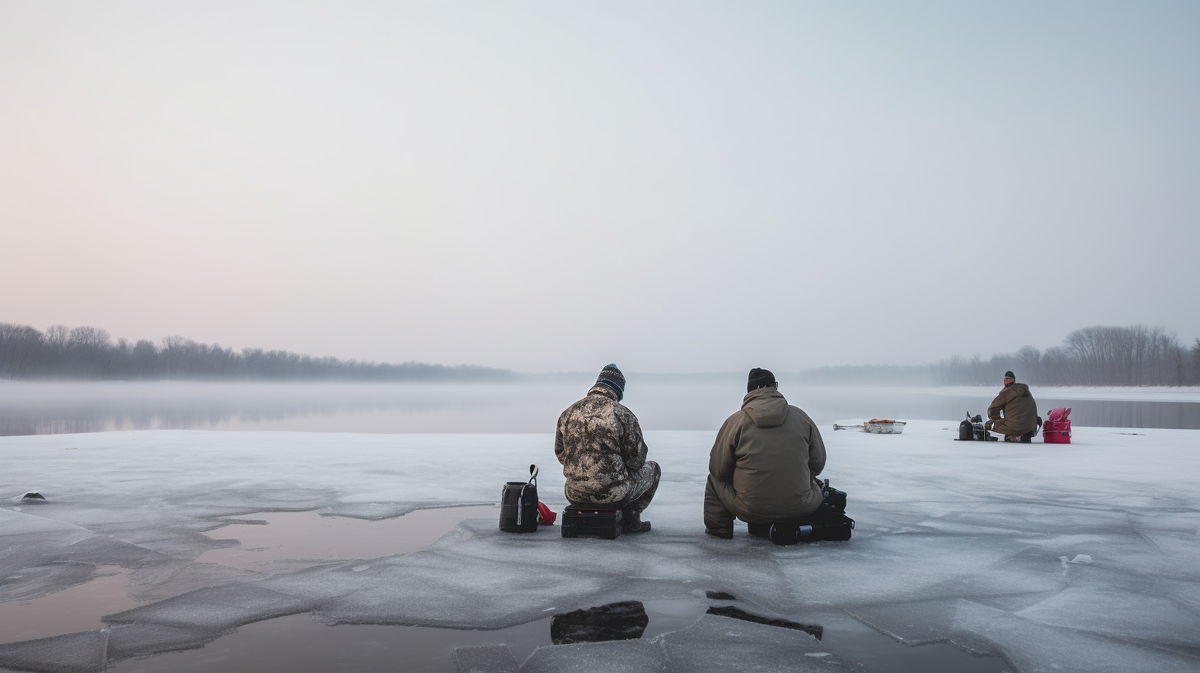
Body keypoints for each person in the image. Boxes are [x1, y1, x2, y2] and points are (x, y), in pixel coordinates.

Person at [704, 368, 826, 541]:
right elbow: (818, 462)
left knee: (714, 480)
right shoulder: (801, 417)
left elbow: (718, 470)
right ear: (775, 387)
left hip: (750, 509)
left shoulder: (736, 421)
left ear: (749, 390)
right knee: (812, 482)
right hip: (800, 506)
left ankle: (720, 530)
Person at [554, 364, 659, 533]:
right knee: (654, 470)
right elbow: (637, 461)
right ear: (618, 390)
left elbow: (561, 454)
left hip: (574, 492)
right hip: (612, 494)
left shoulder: (568, 413)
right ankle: (631, 520)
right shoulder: (622, 414)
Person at [985, 370, 1039, 442]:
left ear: (1013, 380)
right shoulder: (1026, 392)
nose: (1006, 379)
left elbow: (992, 409)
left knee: (989, 424)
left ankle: (1013, 436)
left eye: (1009, 378)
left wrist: (998, 420)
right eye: (1005, 378)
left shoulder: (1008, 392)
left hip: (1015, 428)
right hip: (1030, 428)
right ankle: (1023, 434)